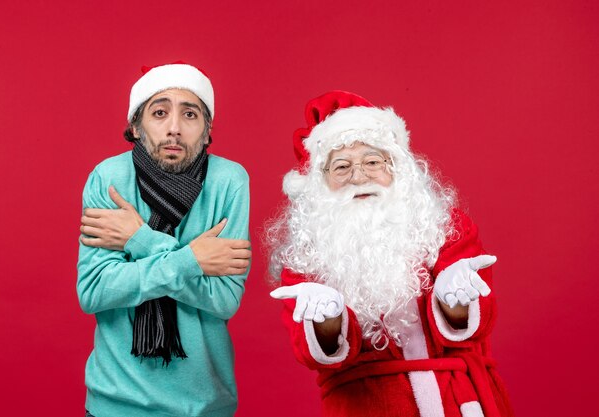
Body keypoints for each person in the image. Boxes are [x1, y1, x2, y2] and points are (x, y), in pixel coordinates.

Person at [268, 91, 514, 417]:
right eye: (341, 167)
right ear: (319, 183)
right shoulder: (306, 255)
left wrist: (453, 299)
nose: (359, 176)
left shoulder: (445, 225)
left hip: (459, 401)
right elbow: (315, 351)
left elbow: (473, 323)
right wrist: (327, 321)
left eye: (372, 161)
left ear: (397, 166)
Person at [77, 61, 251, 417]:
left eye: (190, 115)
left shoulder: (229, 181)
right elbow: (94, 291)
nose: (174, 128)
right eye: (160, 112)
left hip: (204, 405)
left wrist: (140, 240)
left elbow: (224, 300)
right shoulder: (108, 178)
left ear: (206, 130)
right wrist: (192, 260)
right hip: (115, 404)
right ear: (137, 127)